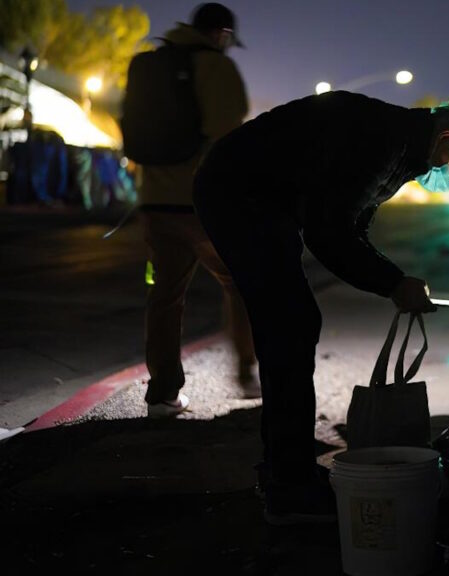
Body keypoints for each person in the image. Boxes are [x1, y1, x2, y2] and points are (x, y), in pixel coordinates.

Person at [193, 94, 449, 524]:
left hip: (262, 200)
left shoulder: (404, 152)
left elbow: (349, 225)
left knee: (293, 322)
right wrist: (393, 283)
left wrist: (393, 281)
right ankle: (290, 487)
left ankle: (285, 472)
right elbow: (327, 232)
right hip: (239, 192)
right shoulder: (383, 141)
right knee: (291, 323)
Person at [134, 3, 256, 417]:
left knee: (165, 295)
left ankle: (163, 394)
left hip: (155, 202)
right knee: (242, 281)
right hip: (202, 202)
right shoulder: (216, 68)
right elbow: (231, 139)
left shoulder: (151, 64)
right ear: (221, 34)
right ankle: (247, 374)